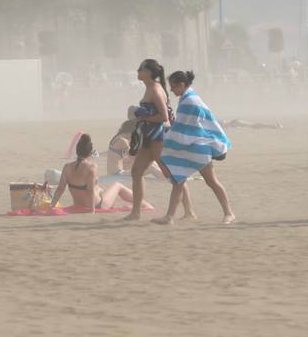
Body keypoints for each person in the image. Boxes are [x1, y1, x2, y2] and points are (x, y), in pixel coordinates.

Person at [155, 70, 235, 225]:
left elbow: (184, 127)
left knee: (210, 181)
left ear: (181, 84)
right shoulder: (188, 98)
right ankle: (169, 217)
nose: (171, 90)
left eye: (173, 87)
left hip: (199, 148)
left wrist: (167, 137)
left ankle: (229, 213)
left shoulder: (189, 101)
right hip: (192, 147)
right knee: (178, 181)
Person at [124, 59, 191, 221]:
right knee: (136, 171)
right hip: (149, 138)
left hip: (159, 138)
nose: (137, 71)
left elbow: (164, 116)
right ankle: (135, 213)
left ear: (148, 72)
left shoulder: (154, 89)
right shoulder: (150, 87)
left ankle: (188, 211)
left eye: (140, 68)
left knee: (174, 176)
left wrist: (141, 117)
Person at [50, 134, 134, 211]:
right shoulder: (91, 167)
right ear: (90, 153)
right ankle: (140, 202)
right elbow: (90, 190)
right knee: (117, 185)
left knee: (100, 189)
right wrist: (92, 210)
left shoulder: (67, 167)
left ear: (77, 151)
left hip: (78, 204)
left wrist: (52, 206)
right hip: (97, 205)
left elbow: (60, 189)